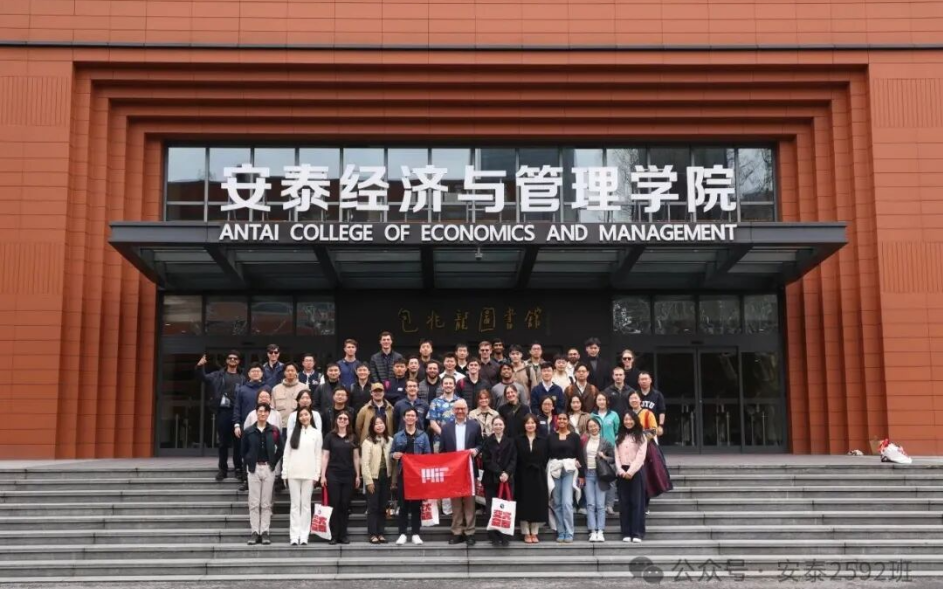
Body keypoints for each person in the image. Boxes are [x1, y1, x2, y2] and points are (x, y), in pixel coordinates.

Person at [196, 351, 244, 482]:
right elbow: (203, 378)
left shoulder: (243, 377)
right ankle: (223, 469)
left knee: (238, 443)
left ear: (238, 361)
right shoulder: (218, 375)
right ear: (226, 360)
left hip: (238, 413)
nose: (232, 360)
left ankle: (238, 469)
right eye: (230, 358)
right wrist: (200, 366)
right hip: (223, 412)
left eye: (235, 358)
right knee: (223, 443)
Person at [439, 399, 483, 545]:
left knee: (470, 503)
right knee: (456, 503)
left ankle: (470, 532)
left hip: (469, 469)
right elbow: (442, 451)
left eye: (462, 409)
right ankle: (457, 532)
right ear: (453, 410)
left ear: (467, 410)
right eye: (457, 409)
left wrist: (476, 450)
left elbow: (480, 444)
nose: (460, 411)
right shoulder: (446, 428)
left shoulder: (475, 426)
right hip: (453, 472)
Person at [241, 402, 283, 545]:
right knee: (254, 503)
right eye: (260, 411)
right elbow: (243, 450)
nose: (262, 414)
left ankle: (265, 531)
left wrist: (273, 462)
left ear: (268, 413)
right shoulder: (249, 431)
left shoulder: (274, 430)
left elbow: (281, 449)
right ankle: (254, 532)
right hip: (254, 469)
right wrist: (249, 461)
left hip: (268, 469)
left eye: (265, 411)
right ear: (256, 412)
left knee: (266, 503)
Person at [282, 406, 322, 546]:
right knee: (295, 505)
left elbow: (318, 455)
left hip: (309, 474)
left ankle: (304, 535)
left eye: (306, 414)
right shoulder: (292, 433)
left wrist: (317, 474)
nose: (304, 417)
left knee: (305, 505)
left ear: (310, 416)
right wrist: (284, 473)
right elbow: (286, 454)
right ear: (298, 418)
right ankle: (294, 535)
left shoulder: (316, 433)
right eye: (301, 415)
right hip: (293, 473)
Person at [391, 407, 431, 545]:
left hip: (417, 476)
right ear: (404, 418)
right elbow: (391, 453)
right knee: (403, 505)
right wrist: (394, 455)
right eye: (407, 415)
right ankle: (402, 533)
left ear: (416, 418)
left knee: (416, 505)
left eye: (412, 415)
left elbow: (428, 455)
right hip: (403, 474)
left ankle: (415, 533)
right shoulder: (397, 436)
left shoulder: (423, 436)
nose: (410, 418)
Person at [320, 412, 361, 545]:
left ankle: (343, 535)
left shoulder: (353, 437)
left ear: (349, 421)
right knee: (334, 504)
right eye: (340, 418)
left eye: (345, 419)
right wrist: (323, 475)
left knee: (345, 504)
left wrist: (358, 475)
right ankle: (334, 535)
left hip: (349, 474)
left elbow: (356, 457)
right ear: (336, 420)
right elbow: (325, 456)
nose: (342, 420)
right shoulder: (329, 436)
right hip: (333, 474)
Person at [546, 413, 585, 543]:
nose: (562, 420)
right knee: (557, 502)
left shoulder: (574, 437)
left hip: (569, 470)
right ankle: (561, 531)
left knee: (567, 502)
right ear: (556, 421)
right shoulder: (551, 437)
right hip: (555, 470)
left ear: (568, 421)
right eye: (560, 419)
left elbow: (580, 455)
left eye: (564, 419)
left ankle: (569, 531)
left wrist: (582, 474)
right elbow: (546, 455)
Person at [481, 415, 517, 546]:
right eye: (495, 424)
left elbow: (514, 459)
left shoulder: (510, 441)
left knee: (505, 509)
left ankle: (505, 535)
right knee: (491, 508)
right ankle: (493, 535)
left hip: (507, 479)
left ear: (504, 426)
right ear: (492, 426)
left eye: (500, 424)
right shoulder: (487, 441)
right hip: (491, 479)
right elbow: (486, 460)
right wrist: (499, 472)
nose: (498, 426)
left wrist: (507, 473)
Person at [615, 411, 648, 543]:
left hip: (636, 471)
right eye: (626, 419)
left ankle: (637, 533)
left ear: (635, 420)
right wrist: (620, 470)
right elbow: (616, 455)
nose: (628, 422)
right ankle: (626, 532)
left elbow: (641, 456)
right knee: (624, 503)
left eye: (630, 419)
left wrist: (631, 471)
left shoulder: (641, 436)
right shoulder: (619, 436)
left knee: (637, 502)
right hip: (622, 472)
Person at [516, 415, 549, 543]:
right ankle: (525, 532)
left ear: (536, 424)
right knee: (524, 502)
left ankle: (534, 532)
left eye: (532, 423)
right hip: (522, 474)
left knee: (536, 502)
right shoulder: (518, 440)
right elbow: (516, 457)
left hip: (538, 474)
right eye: (527, 423)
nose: (530, 425)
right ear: (524, 425)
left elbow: (545, 457)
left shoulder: (543, 440)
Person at [581, 416, 615, 542]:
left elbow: (613, 458)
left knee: (600, 505)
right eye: (590, 426)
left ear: (599, 427)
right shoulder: (584, 441)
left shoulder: (605, 442)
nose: (593, 428)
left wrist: (604, 457)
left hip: (600, 474)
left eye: (595, 426)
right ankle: (592, 531)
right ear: (587, 428)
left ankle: (600, 531)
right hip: (588, 474)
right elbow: (581, 457)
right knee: (590, 504)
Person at [233, 364, 266, 488]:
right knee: (247, 452)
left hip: (264, 425)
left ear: (262, 373)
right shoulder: (242, 390)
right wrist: (237, 425)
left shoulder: (267, 388)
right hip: (247, 426)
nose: (256, 373)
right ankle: (246, 479)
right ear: (249, 374)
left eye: (258, 371)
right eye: (253, 371)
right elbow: (237, 408)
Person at [361, 415, 393, 544]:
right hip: (373, 477)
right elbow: (364, 463)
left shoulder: (390, 440)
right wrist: (368, 481)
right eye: (376, 424)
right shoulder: (368, 442)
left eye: (381, 423)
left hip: (386, 476)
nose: (379, 426)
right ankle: (372, 534)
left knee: (382, 506)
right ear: (372, 427)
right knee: (373, 506)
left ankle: (381, 533)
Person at [592, 391, 621, 514]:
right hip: (596, 449)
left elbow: (617, 431)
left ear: (607, 401)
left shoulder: (614, 415)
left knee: (611, 478)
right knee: (599, 477)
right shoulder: (592, 415)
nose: (601, 402)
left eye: (603, 399)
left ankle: (610, 504)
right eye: (599, 399)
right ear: (596, 402)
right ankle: (601, 504)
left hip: (610, 450)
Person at [427, 374, 460, 447]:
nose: (448, 385)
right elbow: (432, 423)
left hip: (457, 439)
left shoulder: (460, 402)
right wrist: (444, 436)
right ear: (442, 386)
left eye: (450, 383)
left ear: (454, 386)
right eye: (446, 383)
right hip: (439, 440)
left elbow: (464, 420)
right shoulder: (435, 402)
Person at [272, 363, 305, 433]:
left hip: (299, 426)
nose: (290, 372)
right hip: (281, 427)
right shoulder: (276, 389)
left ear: (296, 372)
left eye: (292, 370)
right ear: (284, 373)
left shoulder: (304, 388)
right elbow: (272, 410)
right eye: (288, 371)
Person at [637, 372, 666, 439]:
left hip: (653, 428)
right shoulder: (635, 394)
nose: (644, 381)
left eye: (646, 379)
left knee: (652, 445)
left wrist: (661, 426)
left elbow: (662, 411)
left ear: (650, 380)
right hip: (638, 428)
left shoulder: (657, 395)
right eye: (642, 379)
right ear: (638, 381)